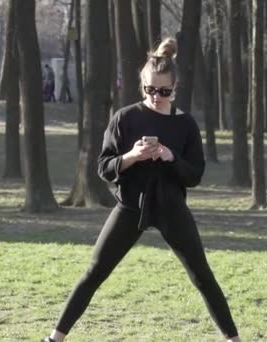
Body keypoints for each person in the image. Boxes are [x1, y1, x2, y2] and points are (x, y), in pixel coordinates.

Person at [43, 38, 241, 342]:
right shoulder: (125, 118)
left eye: (164, 91)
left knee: (202, 277)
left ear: (175, 88)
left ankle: (233, 339)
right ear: (142, 85)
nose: (157, 97)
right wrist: (131, 157)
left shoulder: (186, 125)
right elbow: (103, 167)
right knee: (94, 272)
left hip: (172, 209)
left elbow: (195, 175)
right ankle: (54, 338)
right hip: (130, 208)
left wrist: (170, 157)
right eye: (150, 89)